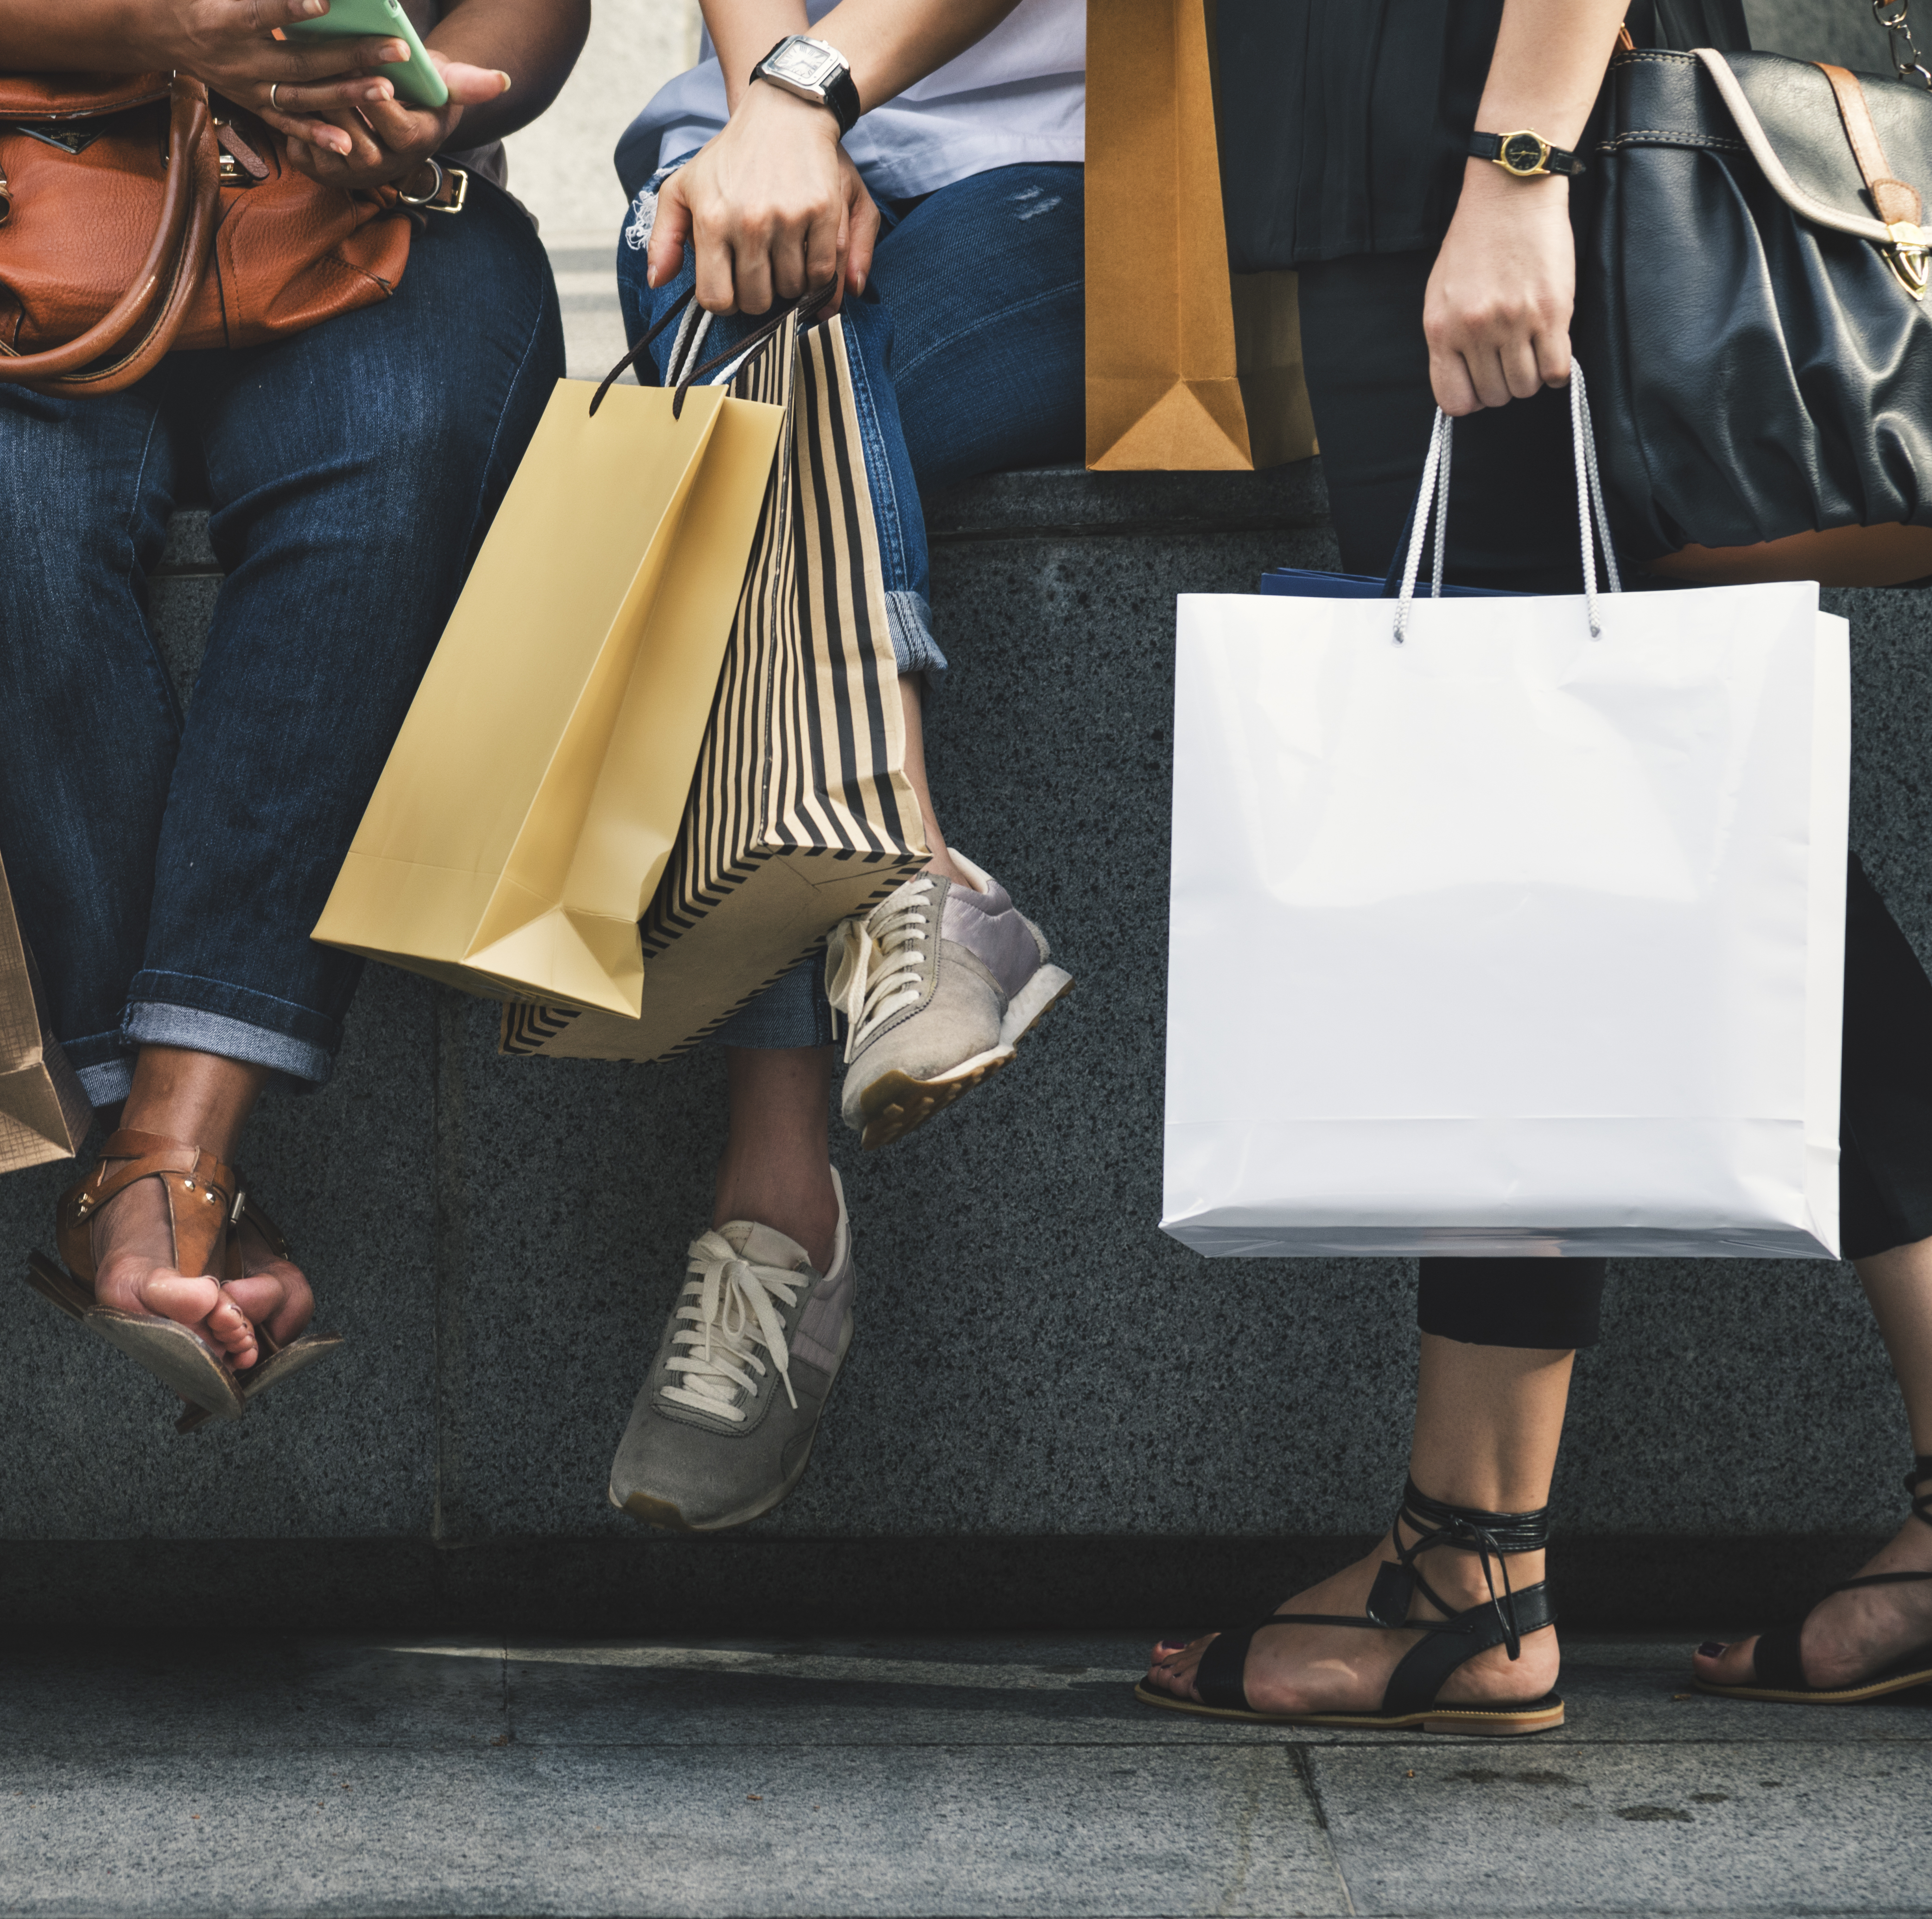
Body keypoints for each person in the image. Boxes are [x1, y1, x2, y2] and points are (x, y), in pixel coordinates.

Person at [1139, 0, 1932, 1732]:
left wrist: (1516, 165)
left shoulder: (1500, 166)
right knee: (1694, 833)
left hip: (1475, 127)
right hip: (1460, 131)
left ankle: (1472, 1563)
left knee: (1530, 833)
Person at [0, 0, 578, 1427]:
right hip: (0, 177)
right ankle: (168, 1176)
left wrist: (442, 105)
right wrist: (165, 30)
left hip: (376, 204)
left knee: (400, 461)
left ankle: (157, 1155)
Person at [596, 0, 1080, 1531]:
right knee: (745, 298)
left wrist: (815, 89)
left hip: (1087, 161)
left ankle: (774, 1195)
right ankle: (917, 893)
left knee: (748, 434)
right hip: (759, 135)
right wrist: (767, 124)